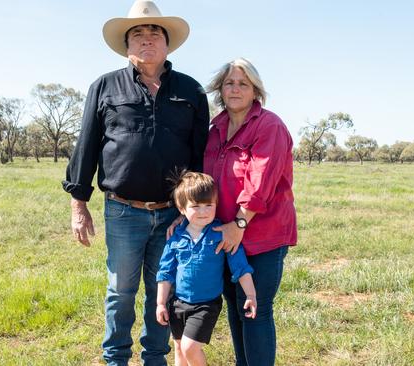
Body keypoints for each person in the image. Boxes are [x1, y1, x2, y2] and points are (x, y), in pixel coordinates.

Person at [61, 0, 210, 364]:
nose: (147, 39)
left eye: (154, 32)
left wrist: (193, 213)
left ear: (167, 43)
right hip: (123, 210)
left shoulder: (191, 92)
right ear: (127, 45)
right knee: (120, 291)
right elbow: (87, 145)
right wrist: (78, 205)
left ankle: (155, 358)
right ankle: (116, 358)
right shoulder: (105, 87)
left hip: (172, 216)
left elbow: (200, 156)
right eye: (138, 33)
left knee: (164, 290)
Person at [204, 58, 297, 365]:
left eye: (243, 83)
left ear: (255, 90)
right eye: (229, 82)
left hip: (262, 234)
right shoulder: (215, 128)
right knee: (233, 303)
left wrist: (239, 223)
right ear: (220, 88)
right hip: (225, 233)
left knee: (254, 308)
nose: (235, 89)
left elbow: (261, 183)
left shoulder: (269, 125)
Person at [156, 171, 256, 366]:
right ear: (181, 208)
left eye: (208, 205)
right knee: (179, 349)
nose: (203, 211)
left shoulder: (221, 234)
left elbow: (241, 267)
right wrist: (160, 303)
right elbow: (165, 272)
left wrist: (251, 295)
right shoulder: (175, 237)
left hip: (206, 305)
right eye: (195, 206)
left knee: (190, 348)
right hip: (178, 303)